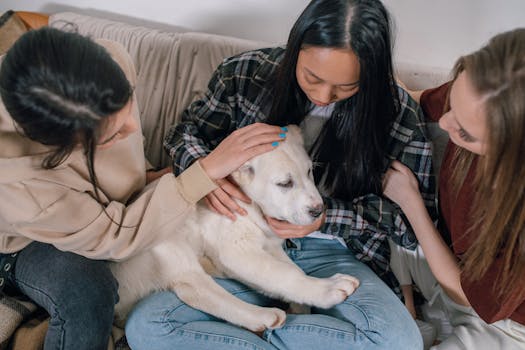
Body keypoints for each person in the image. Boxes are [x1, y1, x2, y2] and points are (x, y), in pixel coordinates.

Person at [125, 0, 437, 349]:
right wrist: (209, 169)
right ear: (295, 48)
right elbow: (183, 136)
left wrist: (327, 219)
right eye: (312, 77)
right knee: (148, 326)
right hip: (231, 252)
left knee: (397, 341)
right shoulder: (243, 74)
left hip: (332, 256)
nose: (322, 96)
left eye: (346, 87)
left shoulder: (396, 113)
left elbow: (411, 227)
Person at [0, 27, 285, 350]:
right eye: (114, 134)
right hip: (21, 241)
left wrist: (161, 176)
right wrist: (204, 171)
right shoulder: (18, 184)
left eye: (128, 105)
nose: (134, 128)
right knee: (86, 292)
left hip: (100, 208)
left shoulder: (109, 60)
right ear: (58, 148)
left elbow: (126, 162)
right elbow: (115, 236)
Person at [382, 28, 525, 349]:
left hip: (504, 322)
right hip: (444, 255)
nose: (444, 124)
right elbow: (413, 99)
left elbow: (466, 295)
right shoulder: (486, 90)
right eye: (452, 105)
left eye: (464, 133)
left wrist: (411, 203)